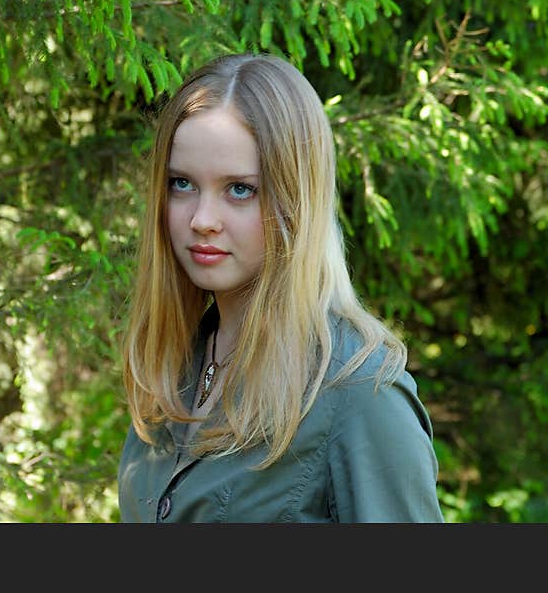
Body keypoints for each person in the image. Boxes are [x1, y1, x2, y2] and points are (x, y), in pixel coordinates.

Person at [117, 53, 444, 522]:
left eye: (240, 189)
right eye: (182, 183)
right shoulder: (171, 371)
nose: (201, 220)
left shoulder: (360, 394)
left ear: (296, 198)